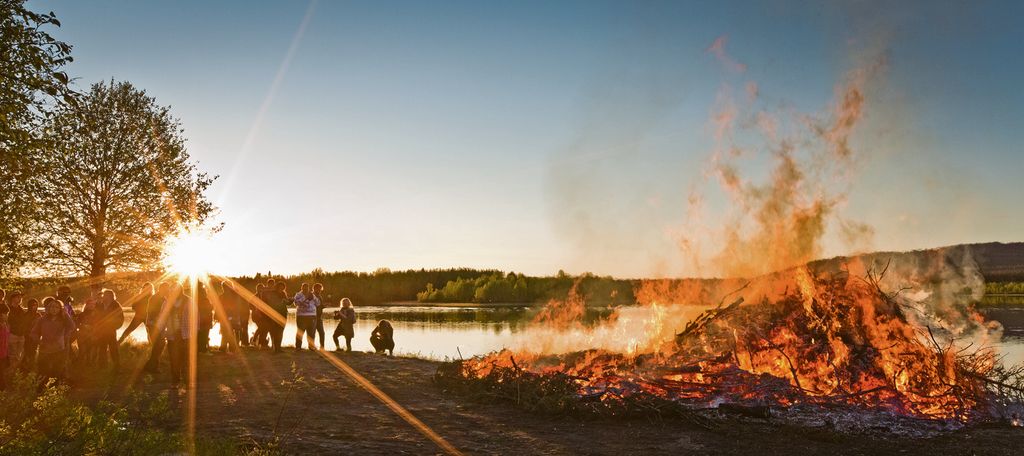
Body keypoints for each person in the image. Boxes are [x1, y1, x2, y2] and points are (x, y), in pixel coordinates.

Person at [29, 298, 75, 383]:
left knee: (57, 371)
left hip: (59, 349)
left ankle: (54, 391)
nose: (54, 309)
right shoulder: (42, 320)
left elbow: (72, 326)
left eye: (57, 307)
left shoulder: (63, 319)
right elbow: (33, 333)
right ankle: (41, 391)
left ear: (60, 309)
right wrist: (39, 341)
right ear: (48, 308)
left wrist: (66, 314)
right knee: (43, 372)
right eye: (52, 307)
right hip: (44, 350)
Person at [163, 283, 191, 386]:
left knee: (185, 359)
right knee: (174, 359)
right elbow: (163, 317)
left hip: (185, 334)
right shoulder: (167, 302)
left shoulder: (189, 301)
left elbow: (195, 316)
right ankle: (175, 381)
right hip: (172, 335)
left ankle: (187, 382)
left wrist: (194, 332)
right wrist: (162, 332)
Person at [143, 282, 171, 373]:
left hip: (160, 324)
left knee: (160, 345)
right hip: (152, 324)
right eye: (166, 289)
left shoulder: (165, 298)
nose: (167, 290)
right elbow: (151, 312)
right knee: (157, 345)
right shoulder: (154, 298)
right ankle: (152, 367)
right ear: (160, 289)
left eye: (168, 289)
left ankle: (150, 366)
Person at [94, 289, 125, 369]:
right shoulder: (99, 305)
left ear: (111, 296)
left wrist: (115, 326)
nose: (105, 297)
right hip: (101, 330)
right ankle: (102, 366)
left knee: (113, 348)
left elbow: (121, 318)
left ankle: (117, 365)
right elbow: (95, 317)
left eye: (107, 295)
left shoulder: (116, 305)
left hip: (111, 330)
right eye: (104, 295)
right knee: (102, 348)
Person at [4, 291, 28, 370]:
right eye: (18, 297)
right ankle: (12, 372)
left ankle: (15, 372)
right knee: (12, 355)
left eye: (20, 297)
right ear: (12, 298)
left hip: (21, 335)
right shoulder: (8, 308)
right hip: (12, 334)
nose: (20, 298)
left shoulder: (22, 310)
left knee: (19, 355)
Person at [263, 281, 289, 353]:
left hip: (283, 314)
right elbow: (270, 302)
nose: (281, 288)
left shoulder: (283, 293)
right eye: (280, 287)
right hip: (274, 315)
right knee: (274, 332)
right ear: (277, 287)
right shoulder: (272, 293)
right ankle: (275, 348)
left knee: (281, 331)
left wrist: (290, 301)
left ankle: (279, 348)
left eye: (283, 287)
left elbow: (287, 303)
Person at [18, 298, 41, 372]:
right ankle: (23, 368)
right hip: (27, 338)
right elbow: (23, 327)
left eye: (36, 305)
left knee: (33, 353)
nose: (35, 306)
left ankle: (30, 368)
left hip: (35, 338)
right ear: (29, 306)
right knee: (27, 353)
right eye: (33, 305)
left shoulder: (38, 315)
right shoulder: (26, 315)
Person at [293, 283, 317, 350]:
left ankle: (311, 346)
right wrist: (305, 297)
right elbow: (296, 303)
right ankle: (298, 347)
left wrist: (314, 298)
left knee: (311, 332)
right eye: (304, 287)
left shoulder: (312, 294)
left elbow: (317, 303)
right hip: (301, 316)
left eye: (307, 287)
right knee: (300, 331)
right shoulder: (298, 295)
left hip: (312, 315)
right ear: (301, 288)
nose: (306, 289)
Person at [196, 283, 213, 353]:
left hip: (199, 320)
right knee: (204, 335)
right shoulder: (204, 299)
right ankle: (202, 349)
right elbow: (209, 308)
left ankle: (199, 349)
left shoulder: (195, 297)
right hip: (205, 320)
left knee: (200, 335)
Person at [251, 283, 268, 348]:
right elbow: (250, 306)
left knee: (264, 329)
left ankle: (262, 342)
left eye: (262, 288)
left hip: (263, 316)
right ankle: (254, 340)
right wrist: (255, 310)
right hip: (256, 316)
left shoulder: (265, 296)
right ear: (257, 289)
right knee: (261, 328)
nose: (261, 289)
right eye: (259, 288)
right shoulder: (254, 296)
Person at [312, 283, 327, 350]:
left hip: (319, 317)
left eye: (320, 289)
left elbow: (320, 306)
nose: (319, 290)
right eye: (318, 288)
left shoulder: (320, 296)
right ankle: (312, 346)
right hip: (312, 317)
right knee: (312, 332)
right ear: (314, 288)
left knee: (321, 332)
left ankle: (322, 347)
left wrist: (324, 306)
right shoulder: (311, 296)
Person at [0, 312, 10, 390]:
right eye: (5, 313)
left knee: (2, 370)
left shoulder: (5, 325)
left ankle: (3, 387)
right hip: (1, 352)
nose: (7, 315)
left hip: (4, 352)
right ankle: (3, 387)